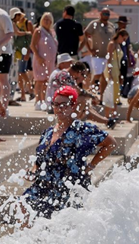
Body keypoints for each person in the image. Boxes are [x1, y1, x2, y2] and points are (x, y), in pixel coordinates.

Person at [21, 85, 117, 221]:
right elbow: (40, 160)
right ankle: (27, 242)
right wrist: (33, 170)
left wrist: (91, 165)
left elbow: (111, 143)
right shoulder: (48, 132)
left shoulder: (82, 129)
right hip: (45, 184)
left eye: (64, 105)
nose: (59, 108)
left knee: (60, 226)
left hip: (69, 187)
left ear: (73, 106)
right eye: (56, 104)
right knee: (23, 204)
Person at [47, 56, 116, 129]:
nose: (84, 78)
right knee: (82, 100)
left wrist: (91, 96)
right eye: (83, 75)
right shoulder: (64, 75)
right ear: (78, 72)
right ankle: (70, 126)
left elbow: (76, 90)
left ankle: (107, 121)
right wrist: (92, 97)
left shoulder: (67, 75)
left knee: (85, 107)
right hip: (55, 105)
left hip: (60, 102)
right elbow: (77, 92)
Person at [82, 8, 114, 97]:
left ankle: (101, 97)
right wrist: (90, 49)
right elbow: (85, 34)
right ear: (100, 14)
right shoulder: (94, 24)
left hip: (107, 56)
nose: (106, 16)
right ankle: (89, 93)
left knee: (104, 78)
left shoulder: (111, 26)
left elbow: (113, 40)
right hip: (97, 55)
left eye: (108, 14)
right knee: (97, 74)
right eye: (104, 13)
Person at [31, 12, 57, 111]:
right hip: (40, 59)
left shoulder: (52, 32)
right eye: (45, 19)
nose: (46, 21)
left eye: (48, 19)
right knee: (39, 80)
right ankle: (38, 101)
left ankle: (45, 100)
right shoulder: (38, 31)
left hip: (50, 61)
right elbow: (32, 45)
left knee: (47, 81)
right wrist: (38, 57)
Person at [11, 8, 32, 102]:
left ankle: (31, 90)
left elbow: (31, 38)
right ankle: (23, 94)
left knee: (22, 71)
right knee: (19, 74)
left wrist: (28, 51)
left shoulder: (28, 23)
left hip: (24, 51)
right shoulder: (15, 24)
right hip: (17, 51)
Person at [106, 29, 128, 117]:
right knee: (111, 93)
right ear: (119, 36)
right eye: (124, 38)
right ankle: (108, 116)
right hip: (111, 69)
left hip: (117, 69)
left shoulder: (118, 45)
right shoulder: (112, 44)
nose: (124, 41)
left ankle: (113, 115)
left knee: (116, 93)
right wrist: (109, 72)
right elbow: (108, 59)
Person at [115, 16, 132, 97]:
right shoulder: (115, 33)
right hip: (116, 58)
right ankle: (116, 92)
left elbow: (128, 48)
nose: (124, 25)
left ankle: (121, 91)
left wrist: (129, 59)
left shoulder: (126, 35)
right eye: (123, 24)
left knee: (123, 76)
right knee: (116, 75)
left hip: (124, 58)